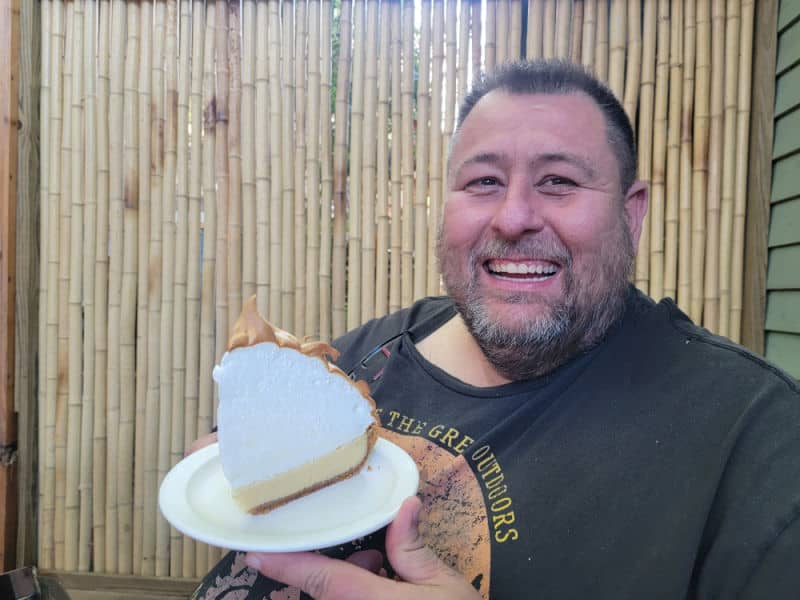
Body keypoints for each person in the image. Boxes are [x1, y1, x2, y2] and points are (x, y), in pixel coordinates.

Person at [191, 60, 800, 599]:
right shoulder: (379, 347)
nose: (513, 217)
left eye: (558, 180)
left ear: (631, 213)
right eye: (483, 181)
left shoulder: (750, 437)